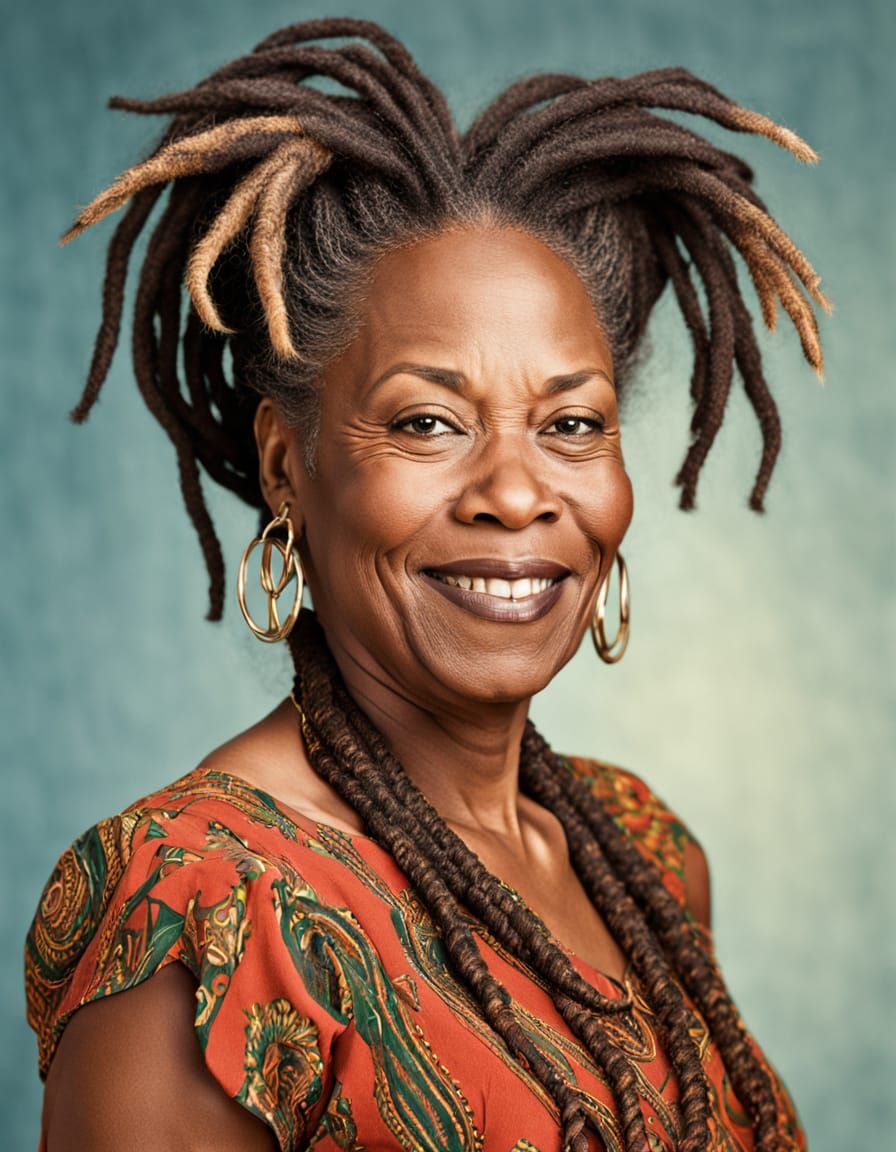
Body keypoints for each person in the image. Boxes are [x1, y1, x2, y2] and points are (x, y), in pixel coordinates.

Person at [23, 16, 827, 1152]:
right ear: (287, 466)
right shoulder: (197, 906)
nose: (514, 491)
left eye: (571, 424)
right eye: (426, 421)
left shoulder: (642, 857)